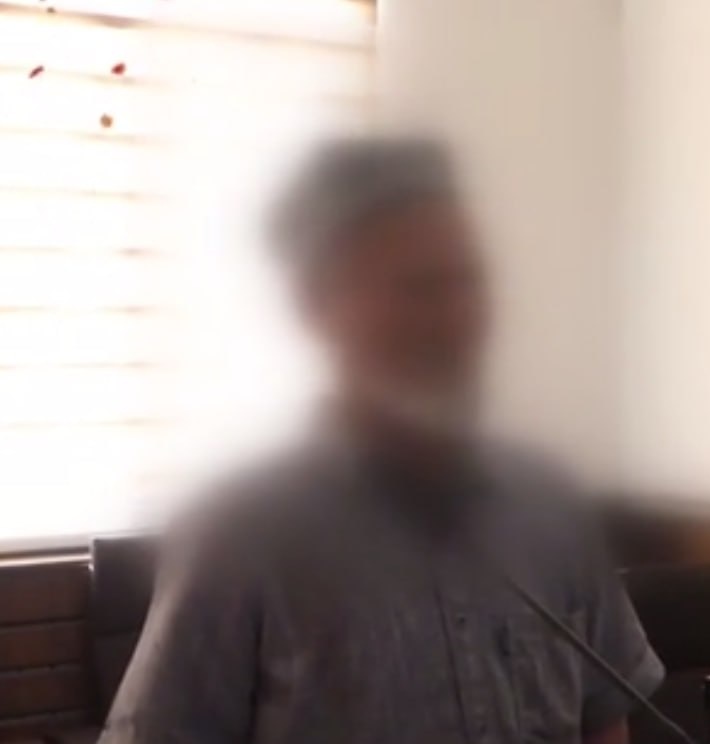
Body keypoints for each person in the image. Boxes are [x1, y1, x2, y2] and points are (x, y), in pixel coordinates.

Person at [99, 138, 664, 744]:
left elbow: (606, 720)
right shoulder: (239, 531)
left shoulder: (552, 503)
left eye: (466, 281)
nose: (452, 319)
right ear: (317, 306)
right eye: (418, 288)